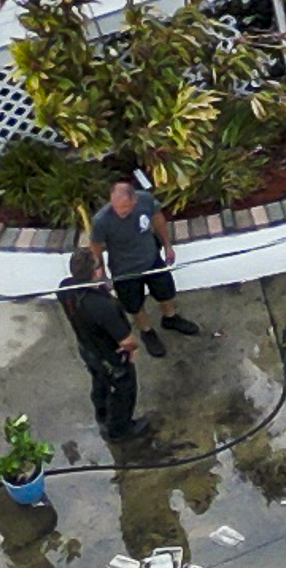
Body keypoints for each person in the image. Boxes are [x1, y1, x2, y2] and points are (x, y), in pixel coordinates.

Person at [93, 163, 192, 352]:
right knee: (134, 305)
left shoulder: (146, 200)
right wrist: (102, 274)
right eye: (115, 206)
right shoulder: (101, 220)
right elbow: (96, 247)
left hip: (151, 259)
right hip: (125, 270)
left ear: (134, 200)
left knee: (166, 292)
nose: (118, 211)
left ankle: (170, 318)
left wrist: (167, 246)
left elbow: (158, 218)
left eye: (123, 208)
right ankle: (147, 331)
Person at [58, 237, 139, 434]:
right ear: (96, 273)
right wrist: (133, 348)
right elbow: (127, 341)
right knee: (124, 391)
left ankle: (101, 413)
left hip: (87, 348)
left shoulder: (65, 287)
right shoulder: (104, 307)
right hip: (109, 357)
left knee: (99, 383)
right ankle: (119, 430)